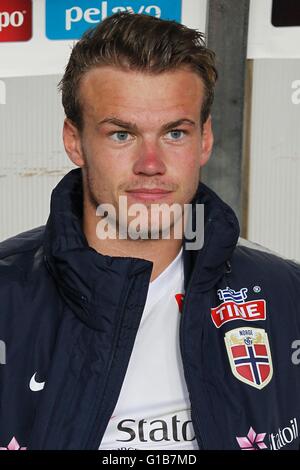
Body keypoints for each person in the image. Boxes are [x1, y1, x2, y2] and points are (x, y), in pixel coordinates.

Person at [0, 12, 299, 452]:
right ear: (75, 142)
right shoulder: (8, 297)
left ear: (204, 140)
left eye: (175, 133)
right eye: (122, 135)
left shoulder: (285, 295)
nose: (151, 164)